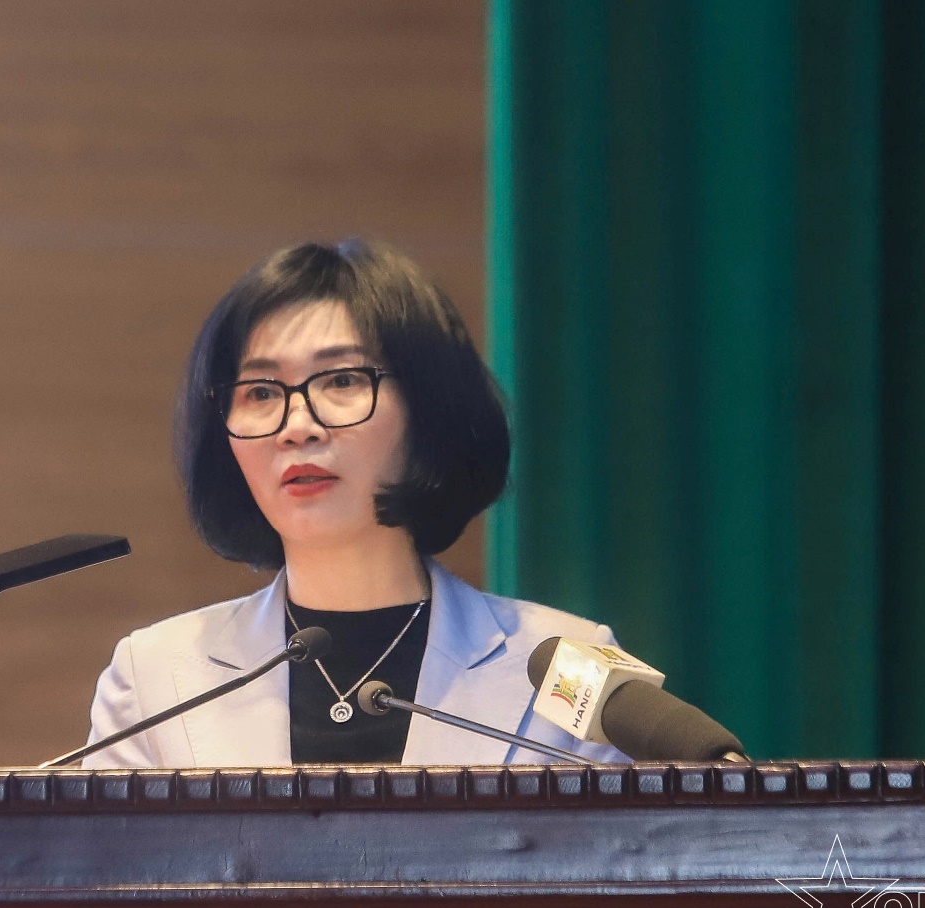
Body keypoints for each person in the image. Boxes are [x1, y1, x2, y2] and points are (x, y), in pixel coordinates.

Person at [83, 238, 628, 768]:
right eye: (261, 392)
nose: (297, 426)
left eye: (342, 380)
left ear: (428, 409)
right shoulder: (154, 681)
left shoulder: (573, 667)